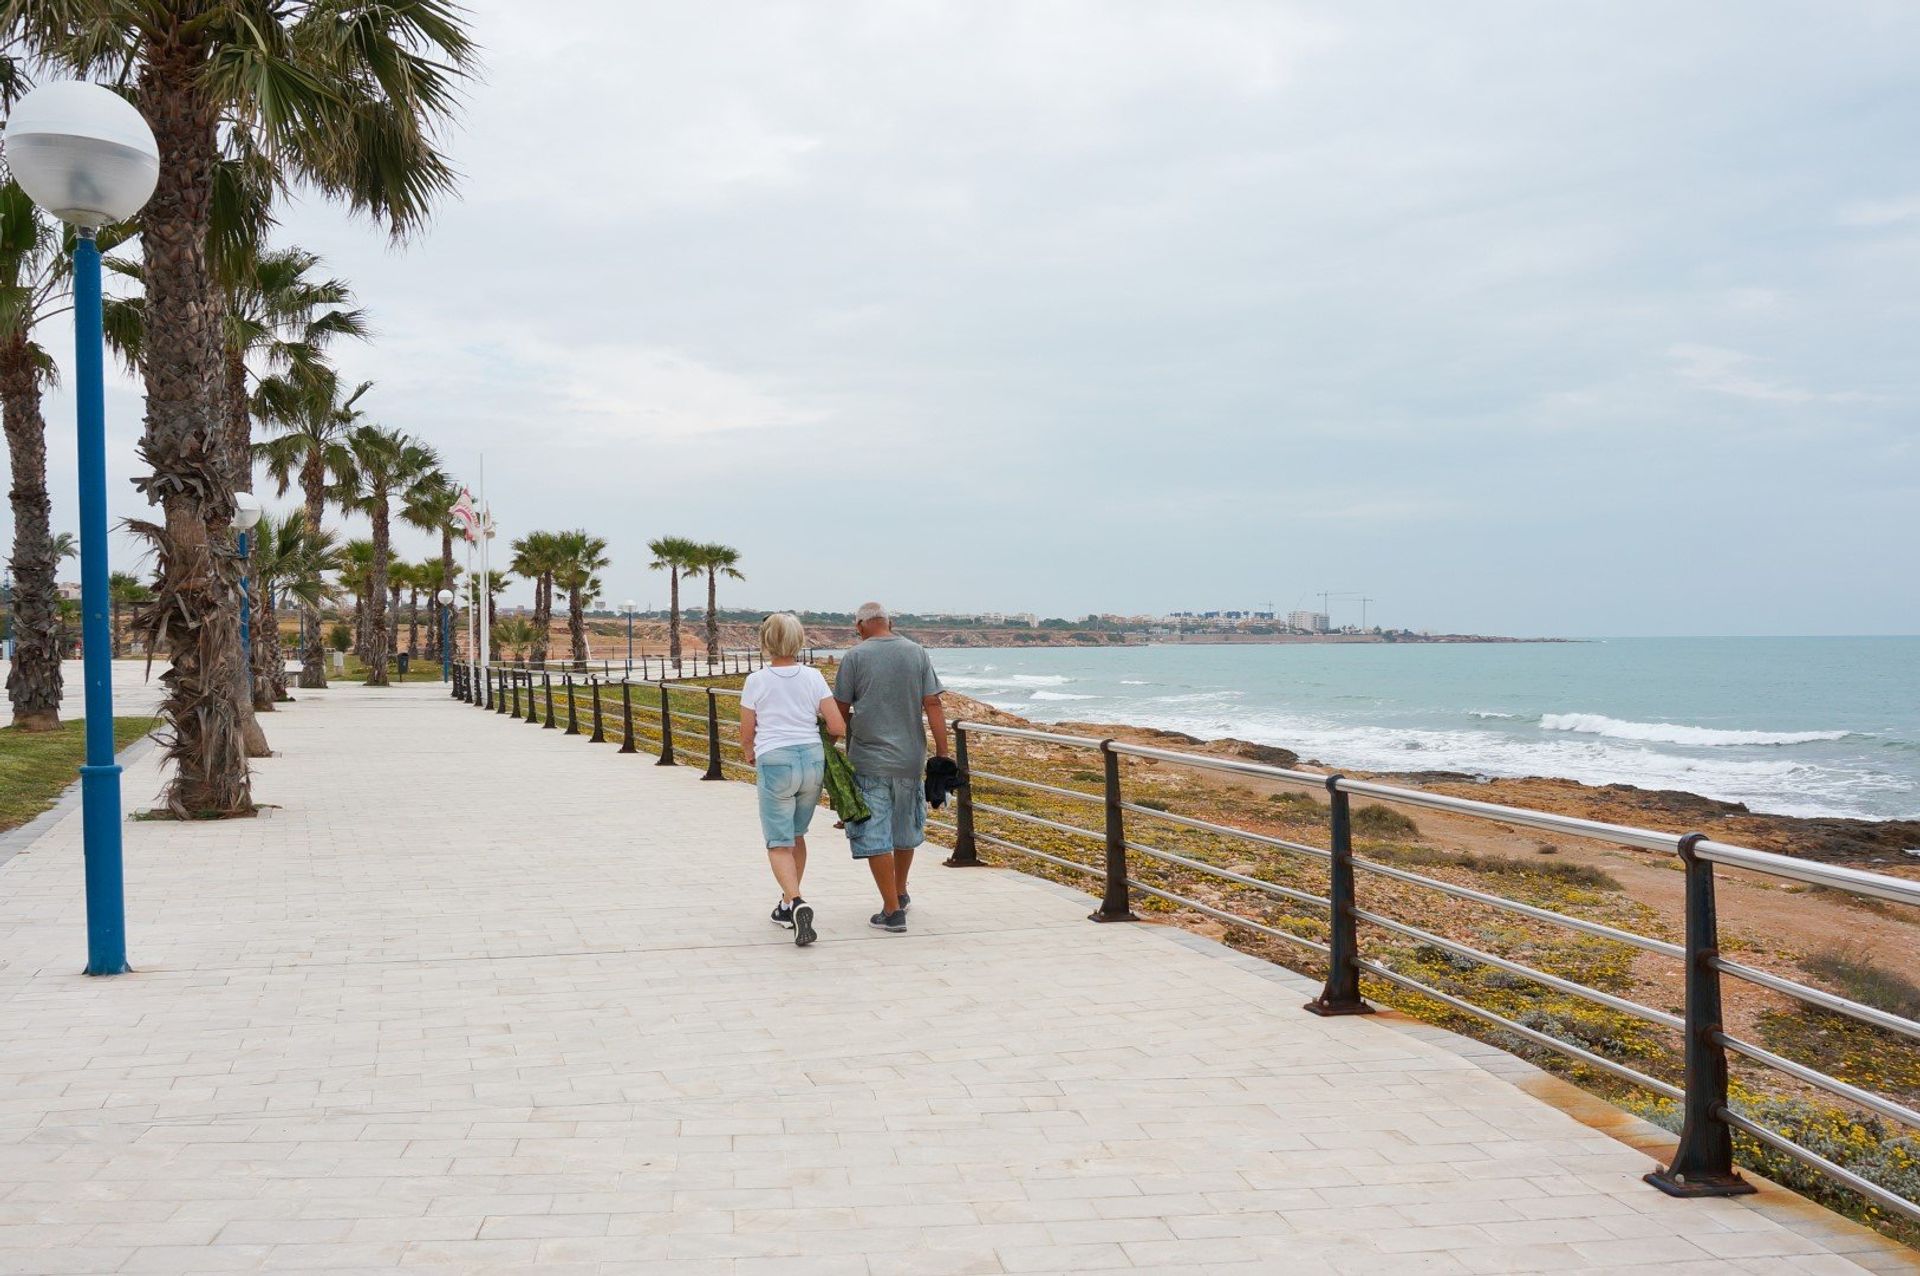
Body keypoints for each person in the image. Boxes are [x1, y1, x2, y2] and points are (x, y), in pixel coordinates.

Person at [834, 601, 948, 933]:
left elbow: (840, 711)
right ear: (890, 622)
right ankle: (900, 891)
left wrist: (829, 750)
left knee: (875, 832)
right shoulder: (916, 652)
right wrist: (942, 753)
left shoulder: (854, 657)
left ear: (859, 626)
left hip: (869, 760)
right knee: (904, 828)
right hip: (910, 758)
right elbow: (933, 703)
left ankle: (891, 909)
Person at [739, 613, 844, 947]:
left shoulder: (756, 681)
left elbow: (747, 731)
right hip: (812, 759)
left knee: (778, 841)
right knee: (797, 835)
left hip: (776, 760)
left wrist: (749, 752)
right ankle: (786, 905)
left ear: (766, 641)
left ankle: (797, 901)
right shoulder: (813, 677)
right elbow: (838, 726)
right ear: (799, 640)